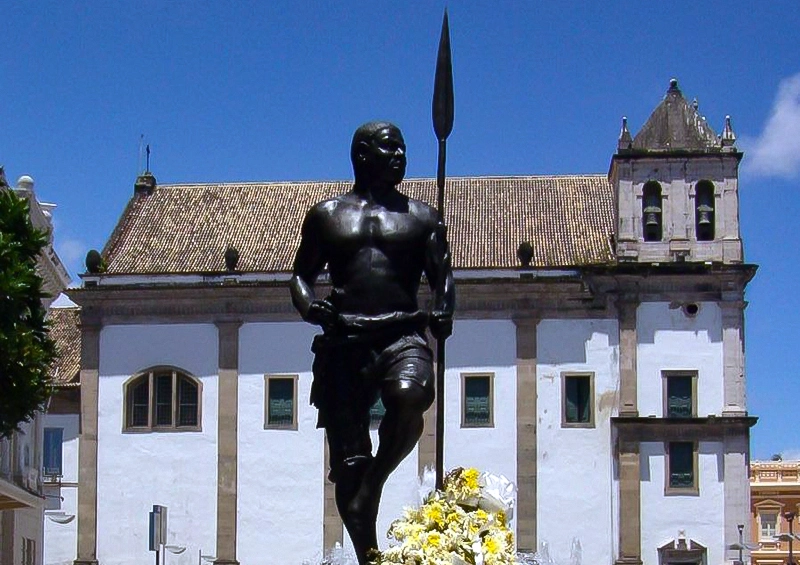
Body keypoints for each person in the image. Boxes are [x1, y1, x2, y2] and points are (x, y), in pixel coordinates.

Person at [290, 121, 454, 564]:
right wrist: (310, 307)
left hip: (402, 332)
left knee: (409, 396)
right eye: (390, 148)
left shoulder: (422, 218)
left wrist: (444, 310)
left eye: (403, 148)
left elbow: (443, 278)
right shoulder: (326, 216)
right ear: (362, 155)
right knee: (348, 470)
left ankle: (375, 484)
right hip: (344, 341)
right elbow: (301, 277)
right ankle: (370, 557)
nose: (401, 156)